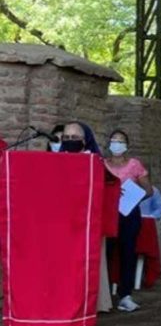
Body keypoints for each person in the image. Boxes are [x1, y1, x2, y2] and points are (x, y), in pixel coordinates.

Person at [59, 122, 119, 313]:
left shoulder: (95, 162)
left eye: (75, 137)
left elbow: (108, 188)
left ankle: (93, 303)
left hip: (88, 222)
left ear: (85, 140)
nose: (70, 141)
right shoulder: (55, 162)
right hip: (62, 222)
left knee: (88, 263)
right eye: (66, 137)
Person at [104, 129, 153, 312]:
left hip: (129, 214)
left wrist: (131, 197)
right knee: (106, 254)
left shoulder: (134, 165)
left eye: (121, 141)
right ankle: (105, 296)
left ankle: (125, 295)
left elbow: (149, 191)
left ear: (126, 145)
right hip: (107, 215)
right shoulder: (102, 164)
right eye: (114, 140)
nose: (117, 144)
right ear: (109, 144)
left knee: (128, 254)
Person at [136, 186, 161, 288]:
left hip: (148, 222)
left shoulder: (154, 190)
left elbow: (159, 208)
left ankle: (158, 266)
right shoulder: (126, 188)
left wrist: (150, 218)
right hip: (131, 222)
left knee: (157, 235)